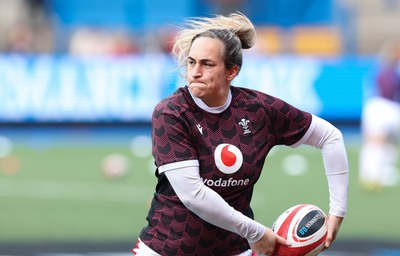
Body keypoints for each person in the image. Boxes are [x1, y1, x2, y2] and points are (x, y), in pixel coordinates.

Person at [133, 12, 349, 256]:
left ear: (231, 72)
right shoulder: (171, 113)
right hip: (166, 249)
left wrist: (338, 211)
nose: (194, 72)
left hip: (236, 249)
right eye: (191, 62)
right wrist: (256, 232)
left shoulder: (259, 110)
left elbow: (330, 137)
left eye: (207, 64)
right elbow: (193, 195)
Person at [359, 40, 400, 190]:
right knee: (380, 142)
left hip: (376, 107)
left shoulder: (379, 72)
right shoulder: (387, 74)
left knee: (379, 142)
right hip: (384, 108)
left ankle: (375, 174)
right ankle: (375, 174)